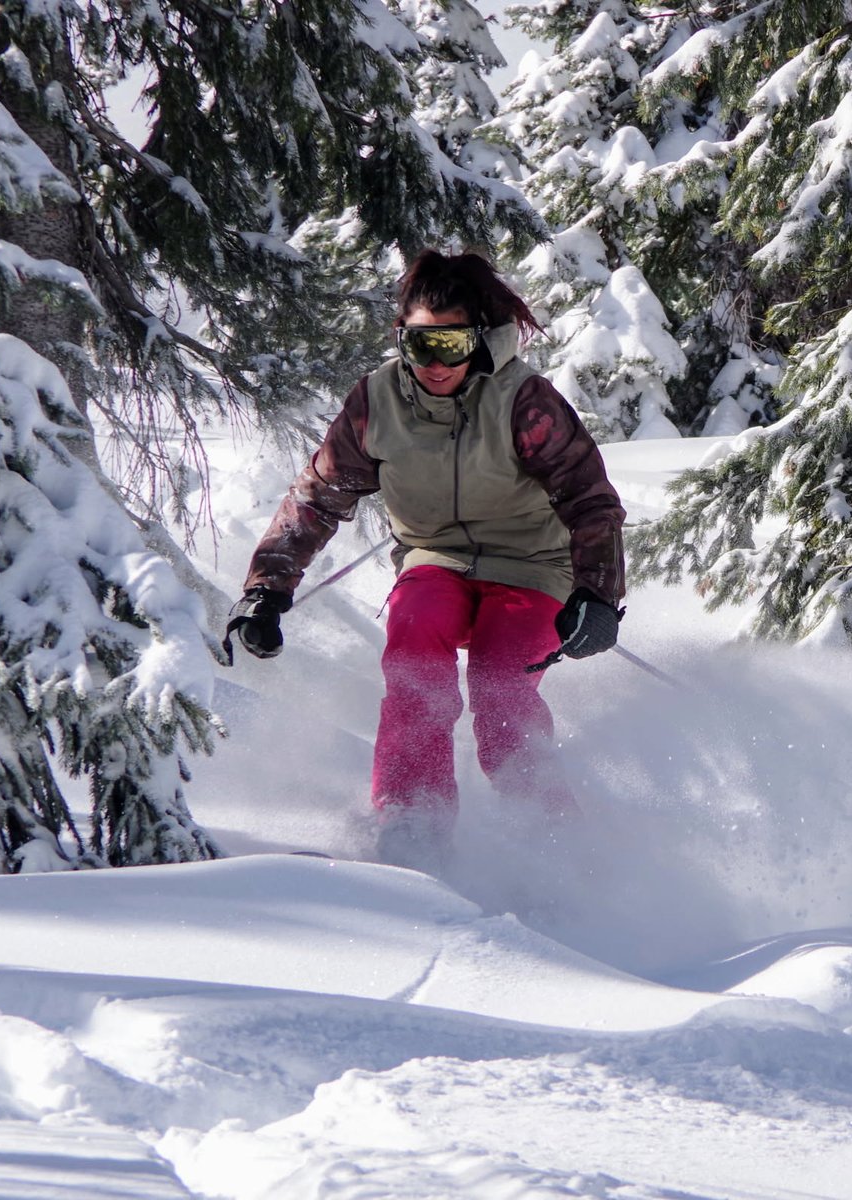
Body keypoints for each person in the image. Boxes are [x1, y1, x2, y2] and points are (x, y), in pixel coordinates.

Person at [225, 249, 626, 870]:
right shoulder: (376, 401)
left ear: (480, 339)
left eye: (452, 344)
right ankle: (414, 818)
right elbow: (318, 497)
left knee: (500, 688)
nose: (436, 364)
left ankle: (552, 839)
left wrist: (596, 596)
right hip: (435, 560)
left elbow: (589, 497)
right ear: (401, 340)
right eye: (420, 345)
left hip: (533, 564)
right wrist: (267, 588)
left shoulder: (522, 400)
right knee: (414, 642)